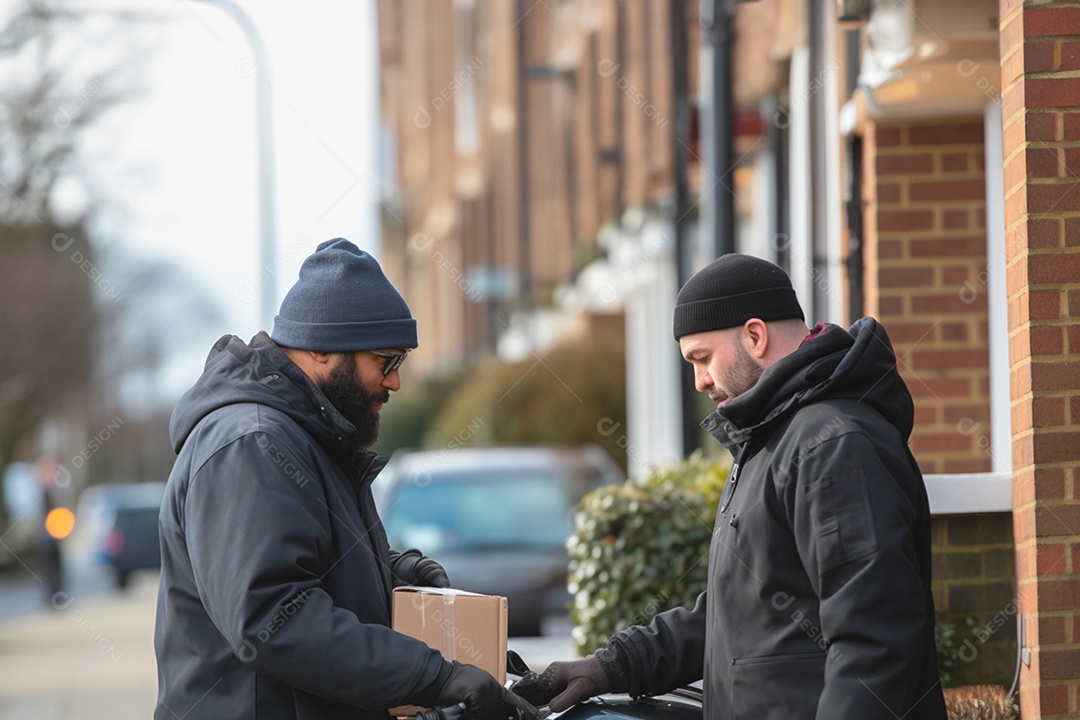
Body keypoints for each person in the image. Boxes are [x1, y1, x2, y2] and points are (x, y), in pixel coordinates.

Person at [514, 254, 947, 719]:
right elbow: (740, 614)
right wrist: (613, 666)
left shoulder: (832, 444)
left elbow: (875, 640)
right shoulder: (773, 439)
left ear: (755, 336)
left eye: (702, 358)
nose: (700, 381)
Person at [155, 238, 536, 720]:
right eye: (386, 360)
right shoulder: (252, 443)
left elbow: (307, 560)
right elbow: (273, 616)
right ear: (321, 348)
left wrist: (393, 573)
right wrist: (435, 676)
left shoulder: (305, 437)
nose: (395, 381)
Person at [33, 457, 65, 603]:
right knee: (50, 568)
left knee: (56, 567)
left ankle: (57, 595)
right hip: (46, 536)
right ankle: (53, 596)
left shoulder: (53, 490)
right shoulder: (40, 492)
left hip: (53, 535)